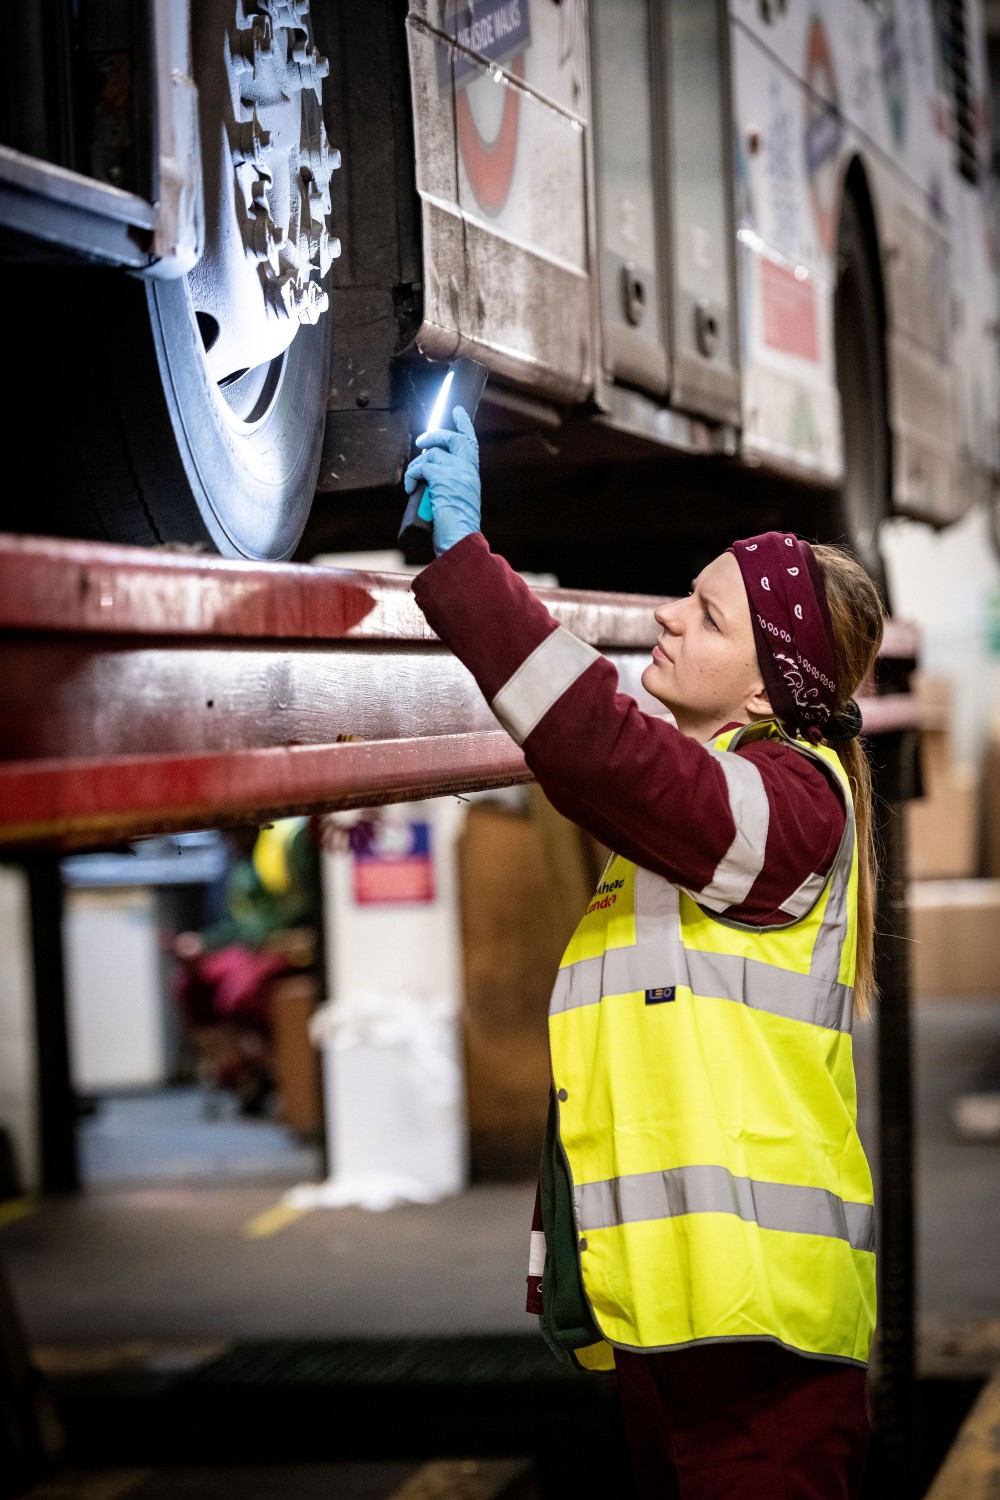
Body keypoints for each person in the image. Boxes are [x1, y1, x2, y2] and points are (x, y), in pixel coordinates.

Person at [405, 408, 884, 1499]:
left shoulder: (794, 805)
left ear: (768, 690)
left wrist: (472, 569)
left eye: (706, 616)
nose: (668, 616)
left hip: (761, 1342)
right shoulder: (713, 816)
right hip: (685, 1328)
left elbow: (604, 752)